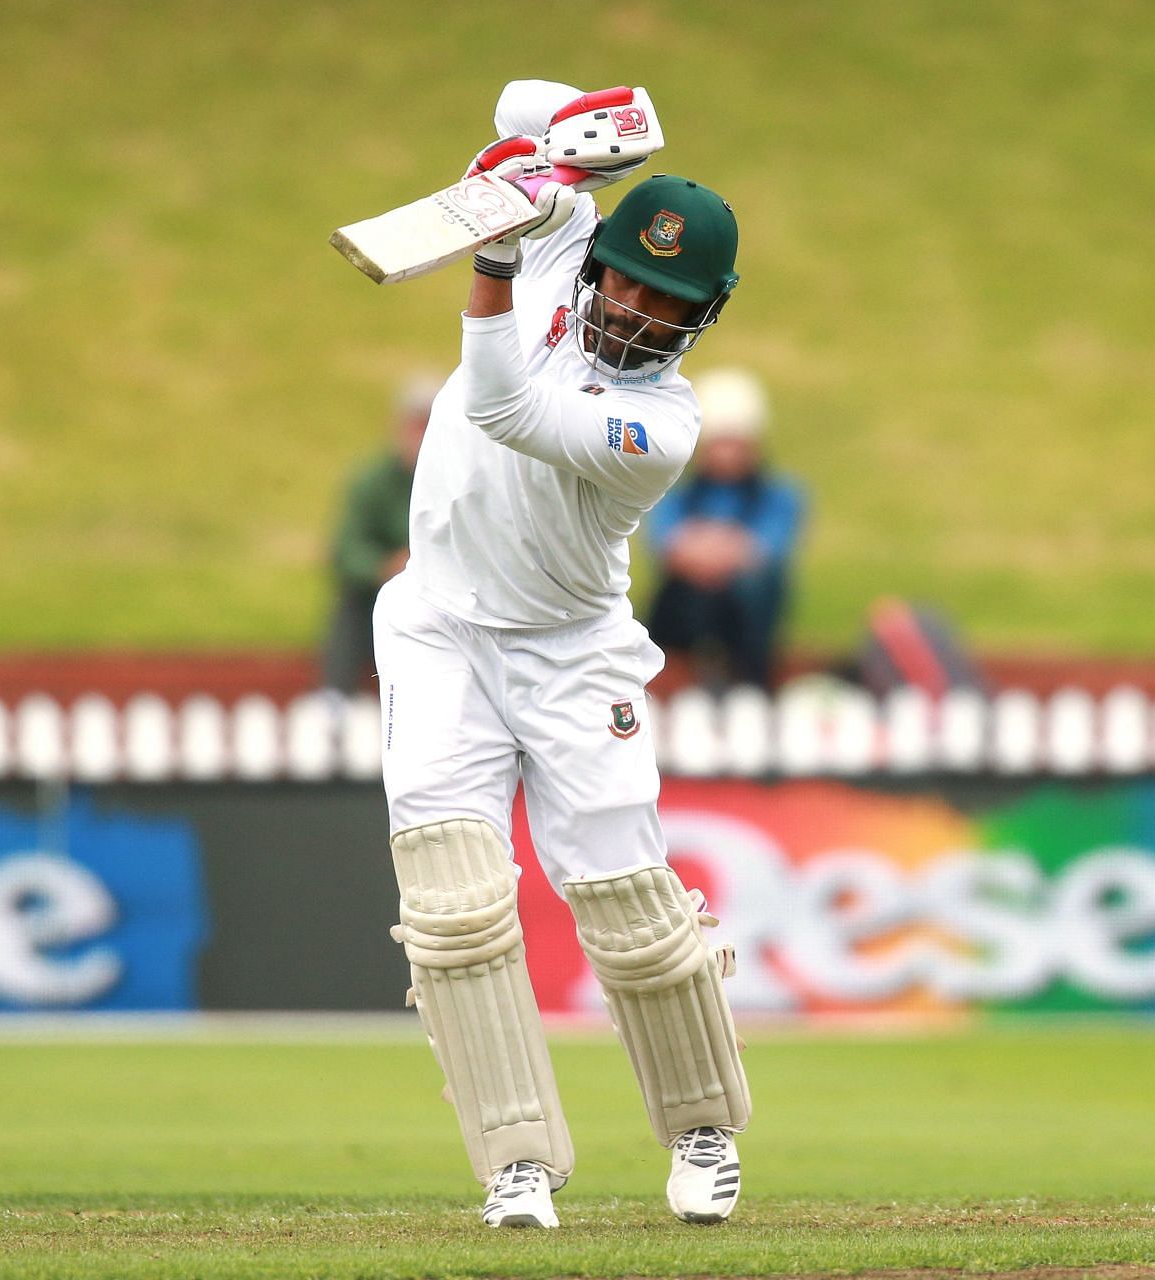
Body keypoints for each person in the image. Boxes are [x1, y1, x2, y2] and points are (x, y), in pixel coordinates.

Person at [374, 81, 750, 1230]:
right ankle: (516, 1161)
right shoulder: (561, 241)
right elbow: (524, 99)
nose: (639, 310)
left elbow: (498, 402)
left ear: (703, 317)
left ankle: (701, 1133)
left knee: (624, 898)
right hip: (438, 626)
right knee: (451, 906)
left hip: (570, 652)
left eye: (670, 301)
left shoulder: (660, 426)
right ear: (597, 262)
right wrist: (566, 148)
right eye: (630, 280)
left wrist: (492, 252)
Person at [646, 368, 806, 689]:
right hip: (688, 607)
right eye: (720, 443)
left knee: (755, 589)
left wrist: (706, 550)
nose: (727, 453)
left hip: (747, 614)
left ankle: (750, 685)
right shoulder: (672, 493)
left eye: (735, 443)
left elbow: (765, 551)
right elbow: (668, 547)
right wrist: (723, 551)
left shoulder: (780, 495)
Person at [319, 376, 436, 694]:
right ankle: (336, 701)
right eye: (416, 426)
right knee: (351, 607)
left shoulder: (460, 478)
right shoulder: (373, 481)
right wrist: (385, 567)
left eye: (430, 425)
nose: (422, 436)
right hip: (379, 594)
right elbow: (346, 548)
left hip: (442, 597)